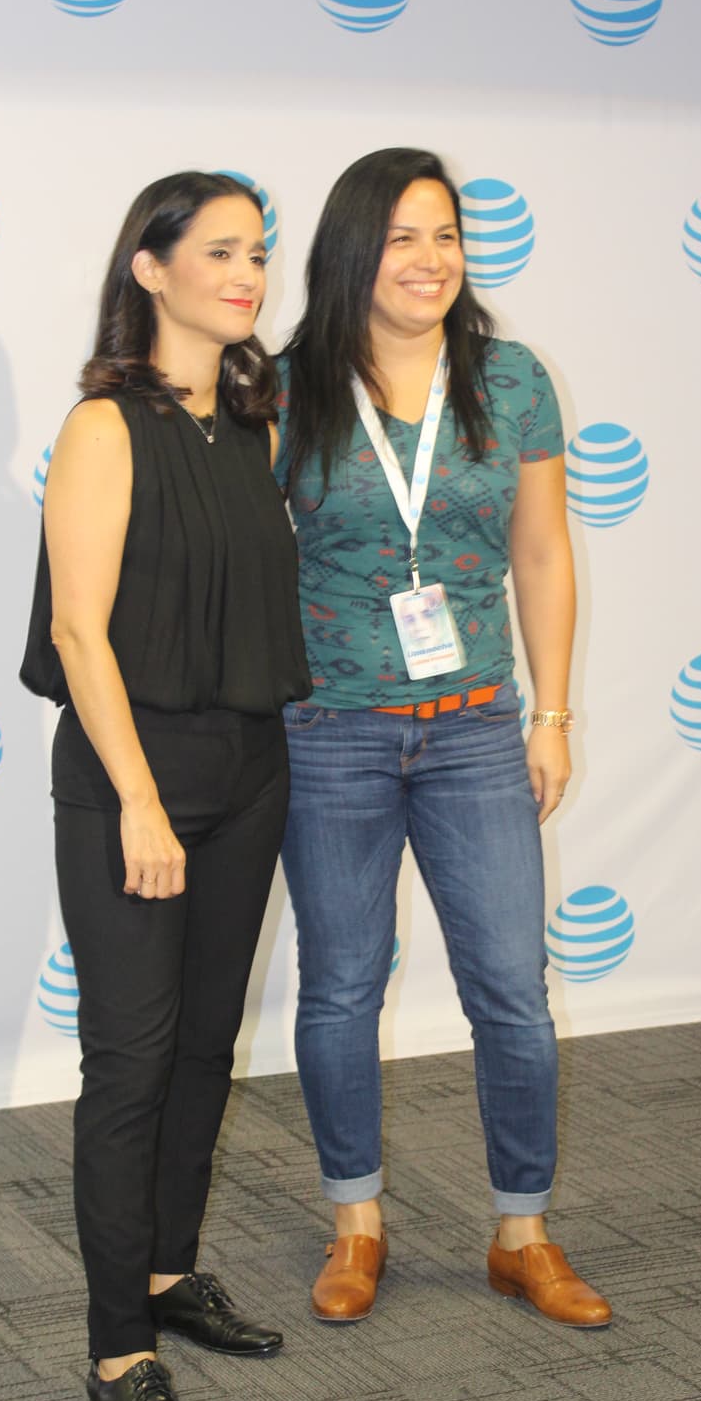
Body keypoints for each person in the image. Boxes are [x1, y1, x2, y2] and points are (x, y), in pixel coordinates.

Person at [277, 147, 611, 1330]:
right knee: (340, 987)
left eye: (446, 235)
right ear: (351, 251)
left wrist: (551, 715)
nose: (429, 260)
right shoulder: (287, 388)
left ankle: (521, 1234)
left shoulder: (509, 380)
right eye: (402, 237)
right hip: (330, 731)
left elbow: (542, 552)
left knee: (510, 988)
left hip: (473, 728)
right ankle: (355, 1221)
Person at [20, 172, 311, 1401]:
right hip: (132, 777)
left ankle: (166, 1274)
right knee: (130, 1063)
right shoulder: (103, 426)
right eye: (221, 253)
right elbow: (79, 632)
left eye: (257, 255)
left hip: (250, 769)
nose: (247, 276)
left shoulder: (251, 423)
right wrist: (139, 801)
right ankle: (115, 1348)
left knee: (203, 1047)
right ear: (151, 268)